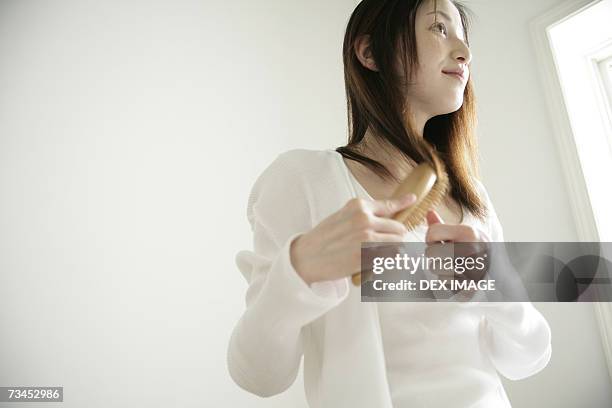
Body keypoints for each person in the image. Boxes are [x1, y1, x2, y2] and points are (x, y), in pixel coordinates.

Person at [227, 0, 552, 407]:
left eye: (463, 38)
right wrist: (300, 269)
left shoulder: (474, 199)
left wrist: (494, 284)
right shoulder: (304, 178)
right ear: (370, 53)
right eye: (439, 28)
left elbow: (527, 359)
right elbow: (259, 374)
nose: (464, 52)